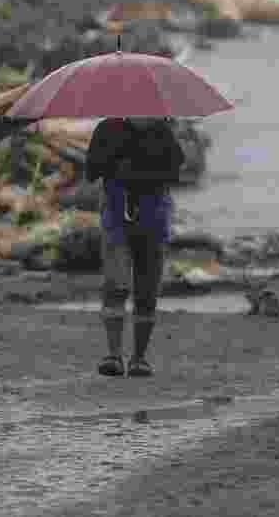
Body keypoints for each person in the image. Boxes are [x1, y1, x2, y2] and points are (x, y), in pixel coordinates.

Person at [86, 116, 186, 378]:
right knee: (115, 285)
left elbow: (175, 171)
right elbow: (92, 170)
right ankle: (114, 356)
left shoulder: (163, 134)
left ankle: (139, 358)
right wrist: (116, 164)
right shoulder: (107, 130)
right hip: (116, 219)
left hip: (153, 221)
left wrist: (143, 171)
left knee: (147, 292)